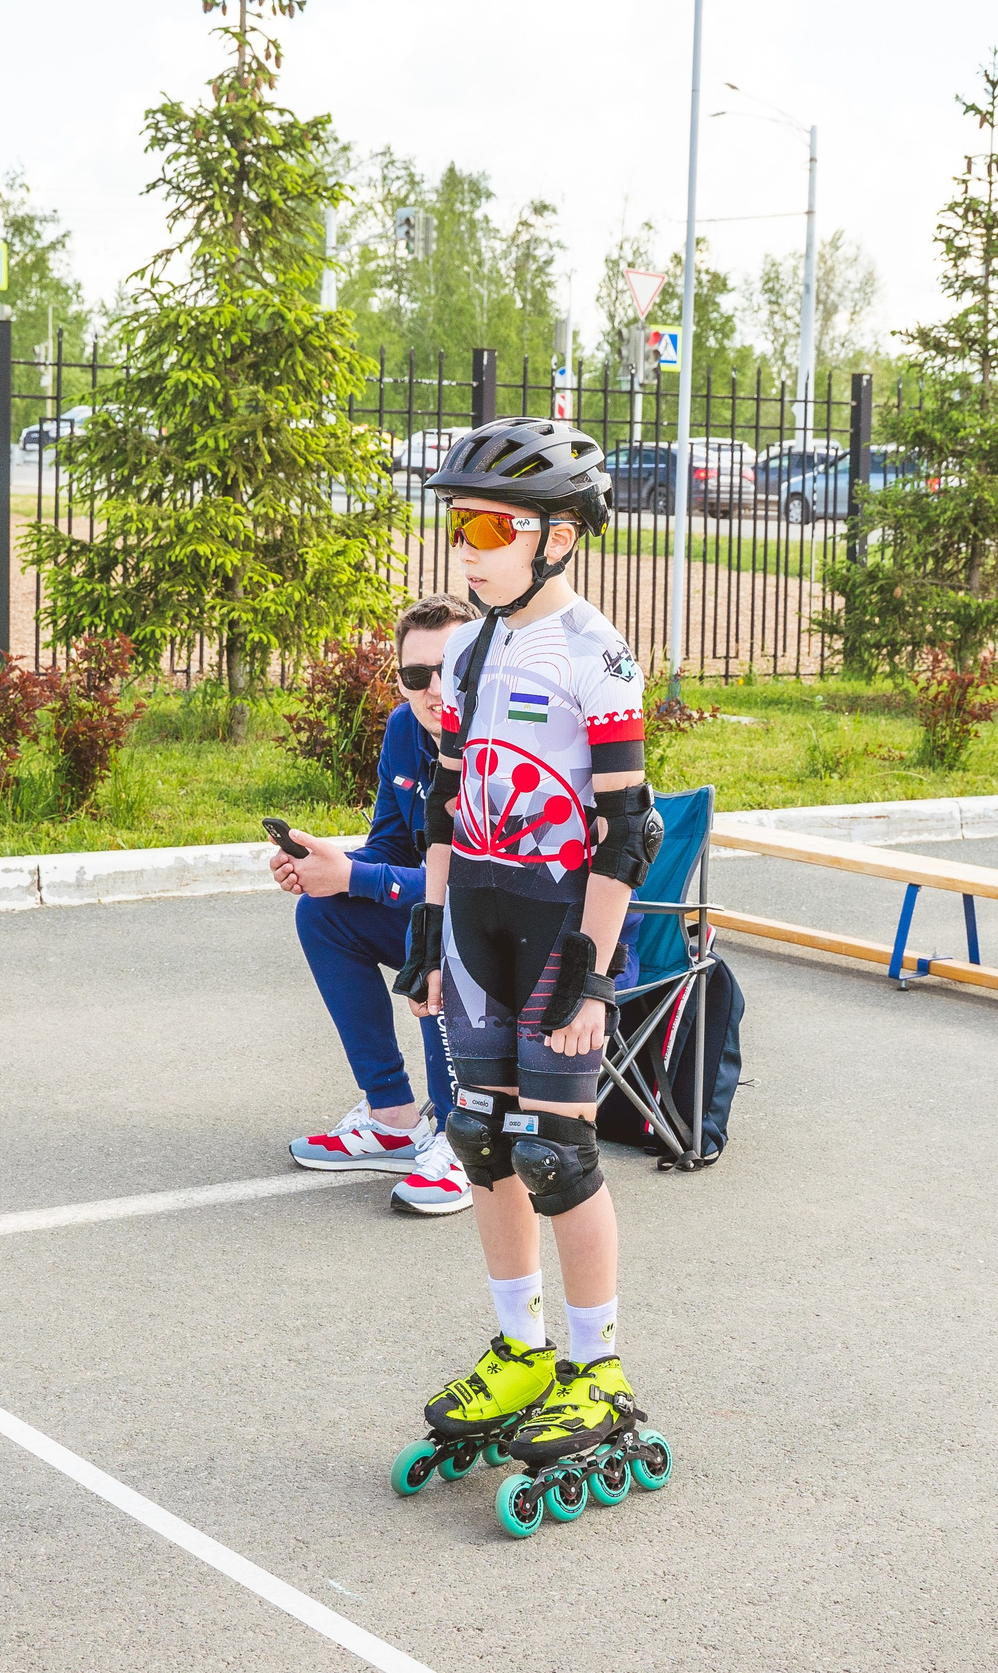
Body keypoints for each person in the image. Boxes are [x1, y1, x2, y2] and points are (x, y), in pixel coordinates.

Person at [397, 415, 664, 1513]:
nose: (466, 546)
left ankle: (596, 1370)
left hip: (560, 925)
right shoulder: (465, 648)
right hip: (476, 926)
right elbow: (451, 806)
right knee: (482, 1141)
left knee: (559, 1156)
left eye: (488, 525)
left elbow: (628, 833)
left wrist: (593, 978)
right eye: (458, 523)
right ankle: (521, 1347)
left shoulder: (595, 653)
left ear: (557, 537)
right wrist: (426, 932)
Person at [281, 592, 480, 1216]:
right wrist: (327, 869)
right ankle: (394, 1116)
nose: (433, 689)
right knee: (324, 914)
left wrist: (357, 878)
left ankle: (462, 1136)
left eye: (449, 669)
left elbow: (481, 883)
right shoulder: (405, 729)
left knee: (437, 935)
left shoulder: (507, 739)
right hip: (449, 915)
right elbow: (391, 845)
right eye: (415, 676)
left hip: (520, 936)